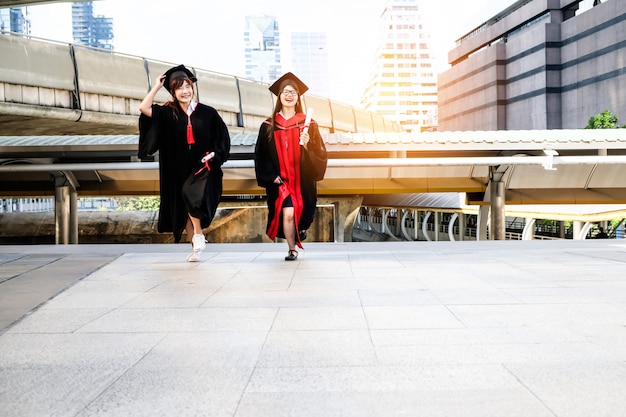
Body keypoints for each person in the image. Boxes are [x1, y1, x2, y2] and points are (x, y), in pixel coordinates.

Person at [138, 64, 230, 262]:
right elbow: (144, 108)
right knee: (183, 206)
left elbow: (222, 139)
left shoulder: (208, 113)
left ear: (192, 88)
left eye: (187, 86)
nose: (184, 91)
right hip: (177, 167)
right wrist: (155, 86)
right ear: (173, 92)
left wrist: (214, 155)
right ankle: (196, 246)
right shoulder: (167, 112)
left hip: (202, 166)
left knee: (191, 196)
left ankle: (198, 235)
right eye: (179, 88)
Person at [254, 72, 328, 261]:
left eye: (293, 92)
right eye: (285, 91)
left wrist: (307, 144)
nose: (289, 95)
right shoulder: (269, 125)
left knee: (300, 214)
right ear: (279, 96)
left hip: (301, 180)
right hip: (281, 181)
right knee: (287, 214)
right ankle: (292, 249)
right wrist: (271, 176)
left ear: (298, 97)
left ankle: (299, 230)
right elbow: (261, 155)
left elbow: (320, 153)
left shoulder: (308, 124)